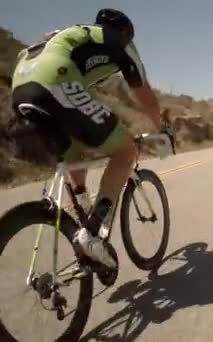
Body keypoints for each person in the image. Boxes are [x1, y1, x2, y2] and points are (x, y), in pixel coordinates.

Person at [10, 8, 164, 269]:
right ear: (126, 33)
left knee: (74, 150)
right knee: (125, 150)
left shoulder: (75, 36)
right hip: (55, 78)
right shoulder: (117, 41)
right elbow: (144, 95)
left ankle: (81, 208)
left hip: (21, 84)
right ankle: (92, 234)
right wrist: (161, 127)